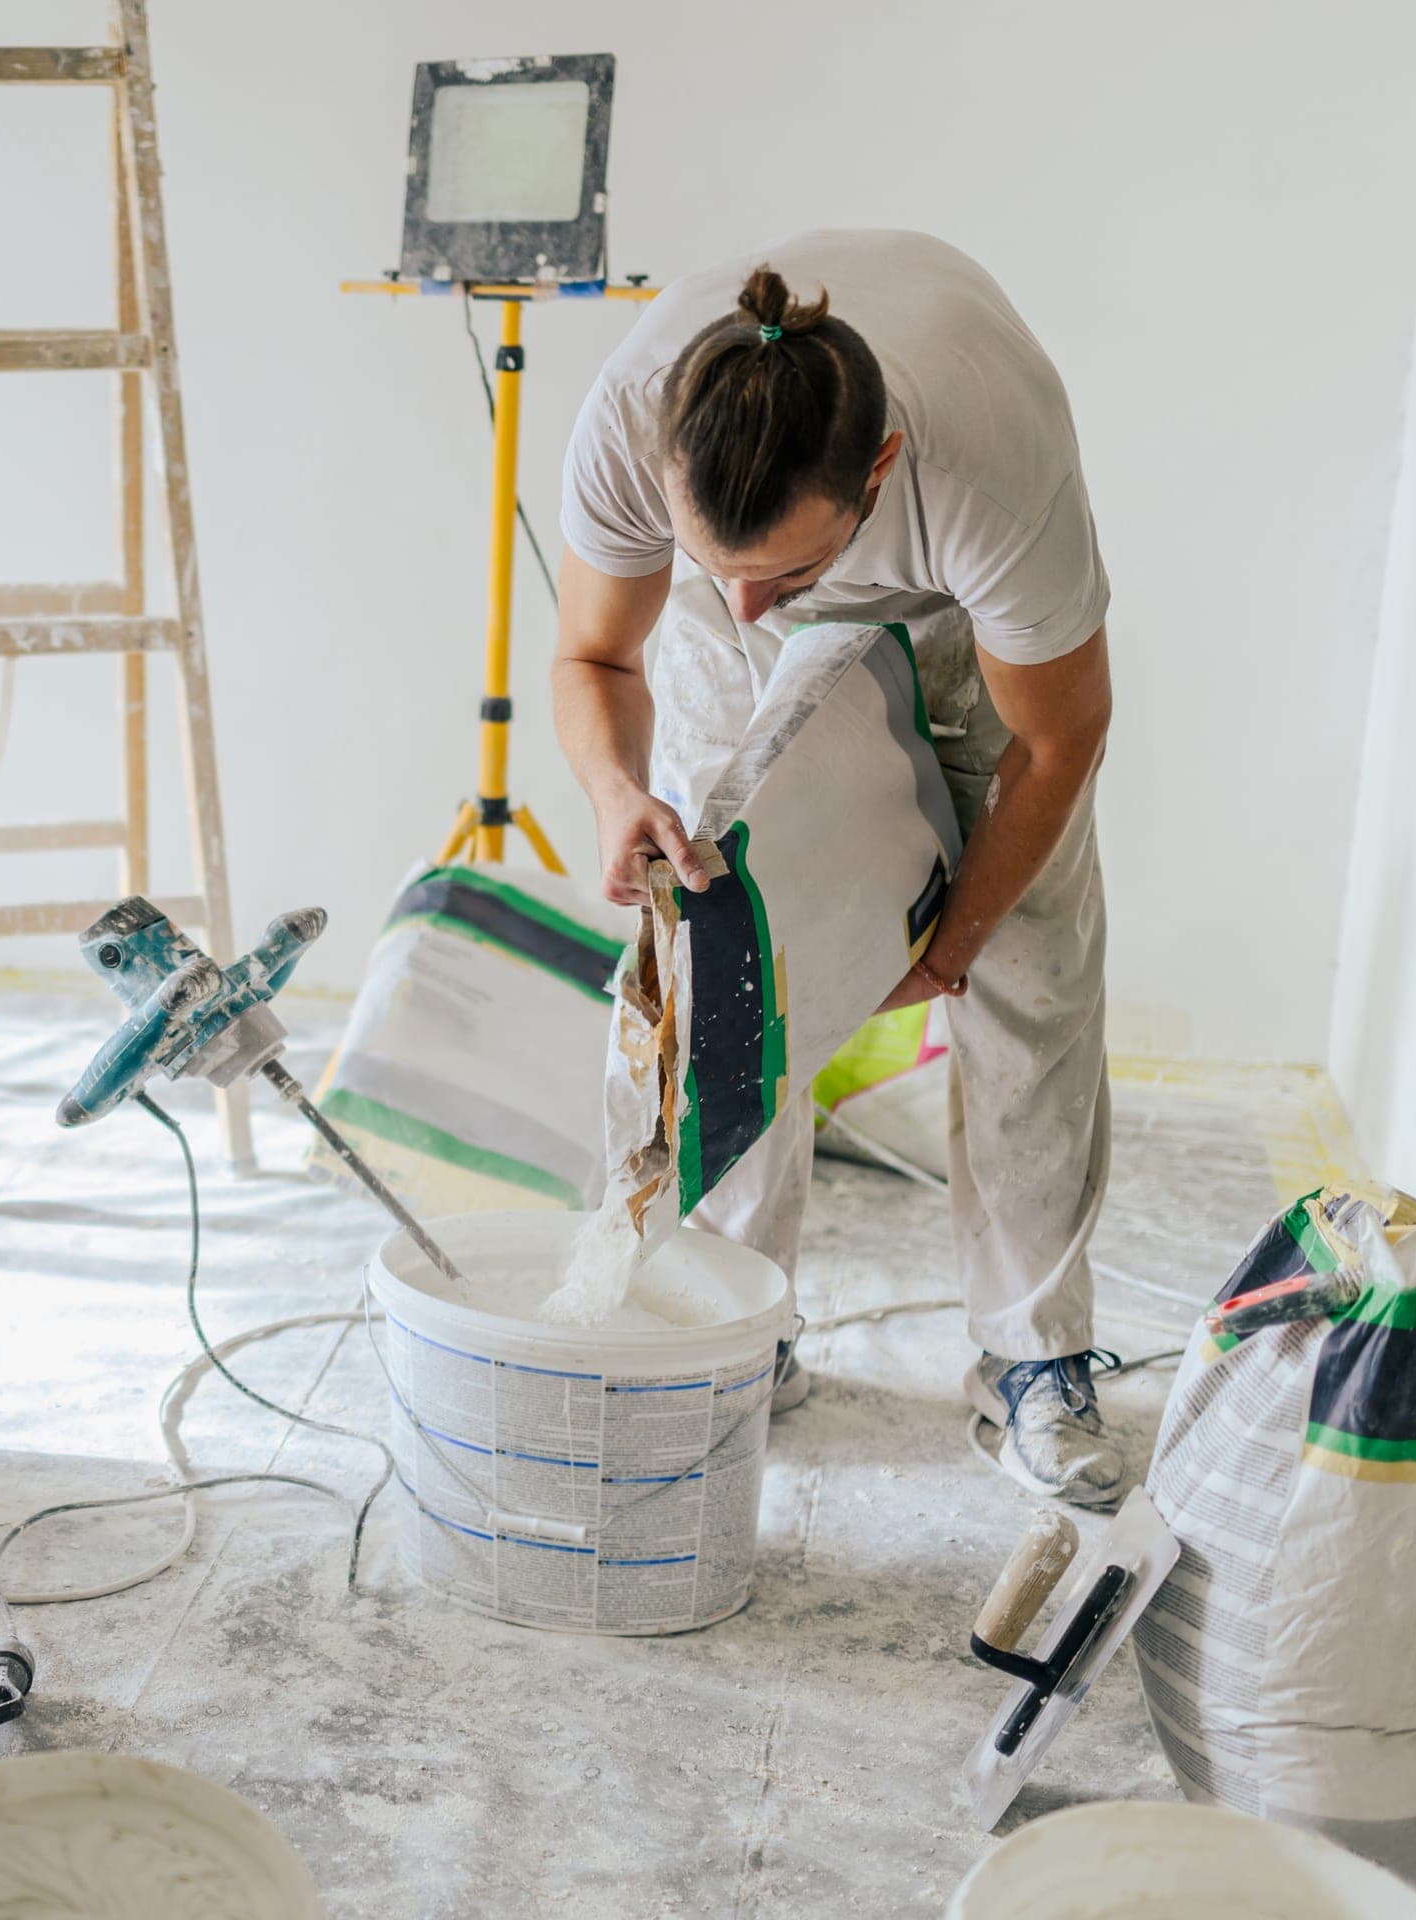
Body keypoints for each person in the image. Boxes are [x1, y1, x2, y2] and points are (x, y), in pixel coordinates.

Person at [550, 230, 1120, 1505]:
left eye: (791, 572)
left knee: (1029, 966)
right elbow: (597, 658)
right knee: (719, 950)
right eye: (725, 566)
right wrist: (617, 794)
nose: (760, 604)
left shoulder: (986, 471)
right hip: (742, 597)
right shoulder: (635, 428)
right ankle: (737, 1325)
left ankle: (1036, 1358)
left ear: (880, 469)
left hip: (951, 618)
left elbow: (1061, 734)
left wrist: (954, 938)